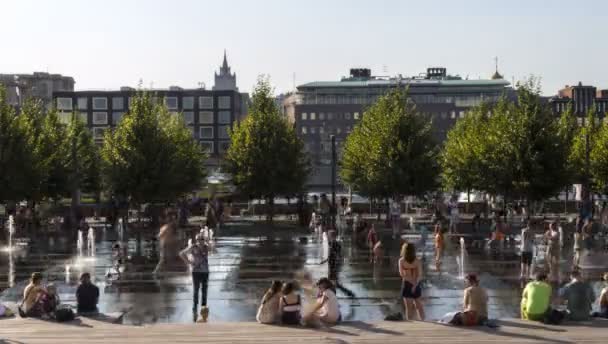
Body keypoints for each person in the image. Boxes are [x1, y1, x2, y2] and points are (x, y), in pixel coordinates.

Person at [179, 233, 210, 321]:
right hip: (196, 271)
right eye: (199, 240)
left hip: (205, 271)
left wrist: (209, 242)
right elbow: (181, 254)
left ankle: (203, 309)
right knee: (196, 290)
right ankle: (194, 309)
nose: (200, 241)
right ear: (196, 240)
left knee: (204, 291)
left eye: (202, 239)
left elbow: (215, 251)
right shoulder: (193, 247)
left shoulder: (206, 247)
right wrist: (189, 262)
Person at [321, 230, 355, 298]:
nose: (328, 236)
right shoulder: (334, 243)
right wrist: (325, 260)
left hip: (333, 266)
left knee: (332, 283)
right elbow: (333, 255)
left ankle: (348, 293)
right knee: (332, 283)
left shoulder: (334, 244)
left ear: (332, 236)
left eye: (329, 235)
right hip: (333, 265)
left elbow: (336, 255)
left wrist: (335, 266)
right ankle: (345, 294)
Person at [398, 242, 425, 320]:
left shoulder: (401, 261)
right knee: (419, 306)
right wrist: (415, 284)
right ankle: (424, 323)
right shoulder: (417, 261)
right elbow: (420, 275)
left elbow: (402, 274)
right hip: (416, 284)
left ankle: (409, 324)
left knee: (408, 307)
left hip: (407, 284)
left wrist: (412, 283)